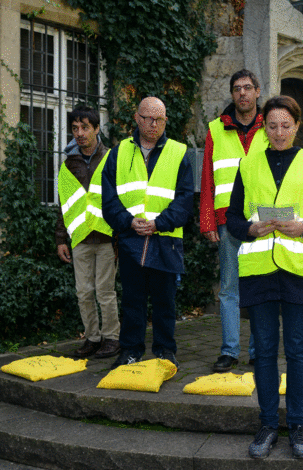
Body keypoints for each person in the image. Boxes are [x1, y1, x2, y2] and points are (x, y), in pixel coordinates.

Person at [226, 96, 303, 460]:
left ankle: (298, 426)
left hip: (299, 272)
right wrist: (251, 228)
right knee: (264, 353)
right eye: (271, 126)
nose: (278, 132)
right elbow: (233, 221)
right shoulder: (248, 164)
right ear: (263, 126)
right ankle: (268, 424)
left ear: (296, 127)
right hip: (259, 272)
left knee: (298, 351)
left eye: (285, 125)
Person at [102, 97, 194, 370]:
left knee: (165, 301)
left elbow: (185, 199)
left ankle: (165, 351)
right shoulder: (118, 153)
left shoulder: (179, 153)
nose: (154, 125)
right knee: (132, 300)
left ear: (166, 121)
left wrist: (159, 223)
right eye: (148, 118)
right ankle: (131, 350)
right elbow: (108, 200)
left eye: (160, 120)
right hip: (131, 239)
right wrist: (129, 222)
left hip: (165, 240)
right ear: (137, 118)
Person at [200, 69, 266, 372]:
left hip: (263, 220)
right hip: (227, 221)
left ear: (257, 92)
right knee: (229, 288)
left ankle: (257, 350)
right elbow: (207, 179)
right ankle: (229, 351)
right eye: (237, 89)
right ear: (232, 94)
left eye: (248, 88)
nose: (242, 93)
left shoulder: (272, 127)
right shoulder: (215, 129)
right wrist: (208, 221)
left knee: (259, 286)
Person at [56, 106, 120, 359]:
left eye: (85, 128)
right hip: (80, 236)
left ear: (96, 129)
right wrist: (61, 238)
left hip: (106, 236)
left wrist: (120, 235)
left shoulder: (111, 158)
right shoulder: (68, 164)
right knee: (83, 292)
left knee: (105, 291)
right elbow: (65, 204)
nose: (79, 133)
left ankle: (112, 338)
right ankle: (92, 338)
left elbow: (121, 197)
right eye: (75, 129)